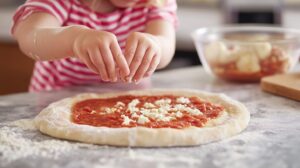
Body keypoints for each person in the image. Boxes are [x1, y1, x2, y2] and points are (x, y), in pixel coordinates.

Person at [11, 0, 177, 92]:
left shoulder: (156, 2)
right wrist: (75, 39)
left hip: (129, 102)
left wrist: (156, 46)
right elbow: (29, 36)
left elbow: (166, 45)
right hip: (55, 100)